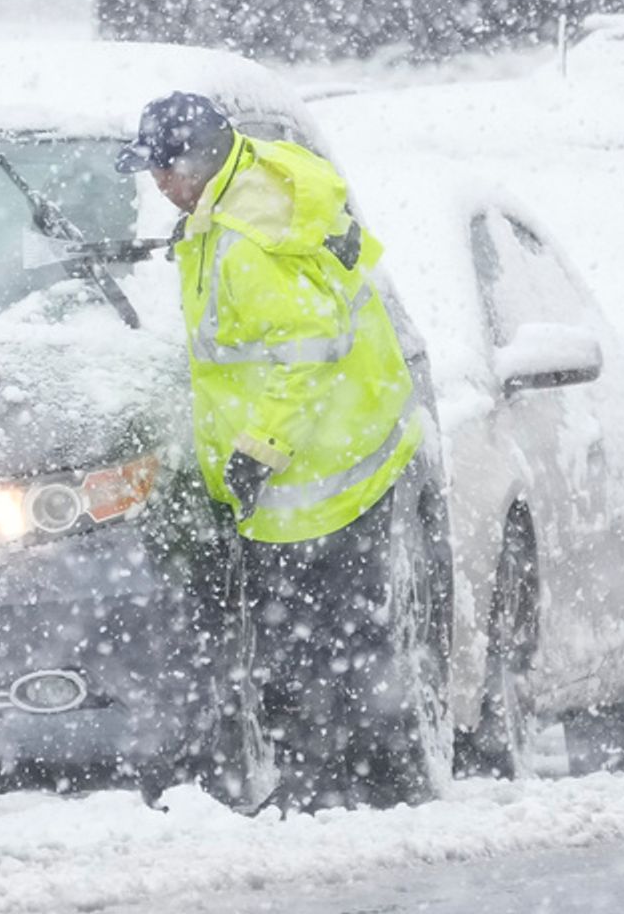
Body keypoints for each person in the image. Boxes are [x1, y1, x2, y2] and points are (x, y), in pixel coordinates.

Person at [117, 91, 435, 812]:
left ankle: (326, 790)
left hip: (318, 466)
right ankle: (359, 784)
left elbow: (306, 352)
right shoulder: (254, 185)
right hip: (355, 436)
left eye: (163, 169)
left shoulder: (246, 242)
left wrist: (259, 450)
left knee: (306, 645)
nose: (157, 185)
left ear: (199, 162)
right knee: (343, 635)